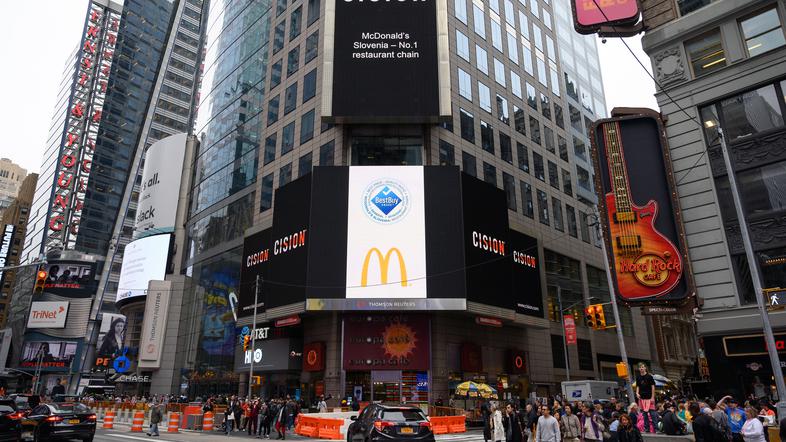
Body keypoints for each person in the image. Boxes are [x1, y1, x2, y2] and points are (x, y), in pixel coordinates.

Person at [635, 363, 657, 433]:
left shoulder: (649, 376)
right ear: (639, 369)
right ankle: (647, 429)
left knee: (652, 414)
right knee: (644, 415)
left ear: (645, 368)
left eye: (642, 367)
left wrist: (652, 397)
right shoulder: (638, 377)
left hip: (649, 398)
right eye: (640, 367)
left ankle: (656, 429)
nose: (641, 368)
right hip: (642, 398)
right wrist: (637, 393)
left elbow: (653, 387)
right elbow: (638, 386)